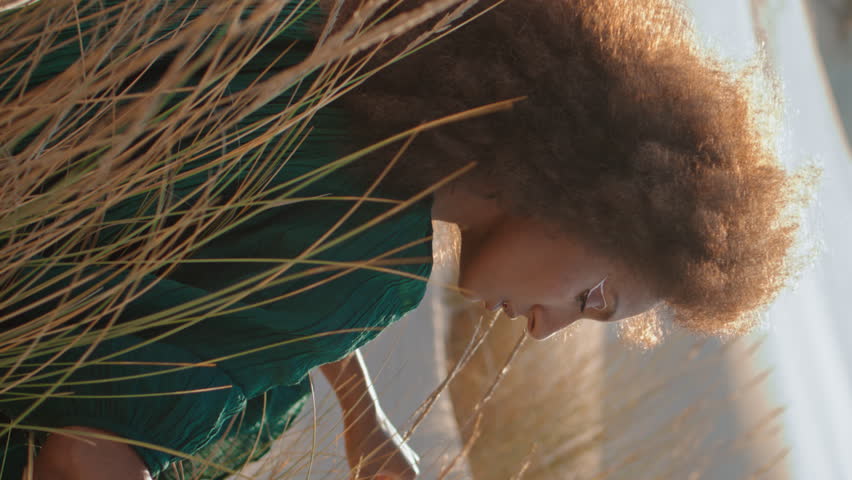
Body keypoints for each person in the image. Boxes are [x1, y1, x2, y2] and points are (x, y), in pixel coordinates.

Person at [0, 0, 805, 478]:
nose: (545, 324)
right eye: (595, 298)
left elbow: (224, 260)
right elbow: (84, 450)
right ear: (589, 193)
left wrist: (362, 414)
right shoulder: (369, 264)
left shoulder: (327, 43)